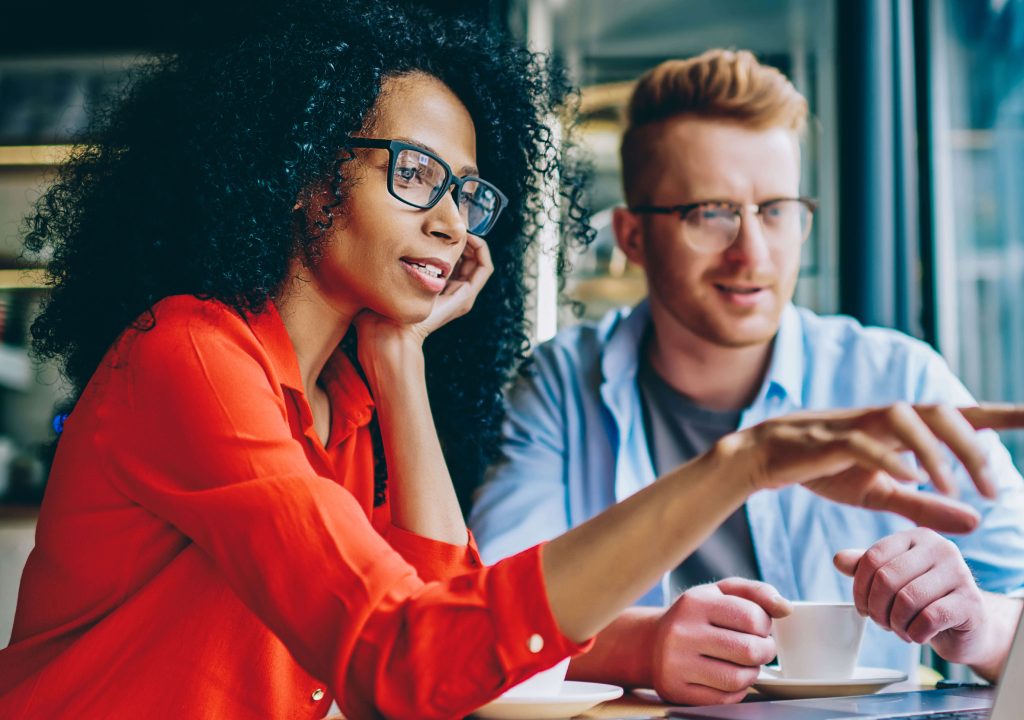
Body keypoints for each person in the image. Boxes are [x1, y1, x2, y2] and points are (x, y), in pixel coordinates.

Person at [0, 9, 1019, 717]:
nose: (453, 221)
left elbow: (451, 651)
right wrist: (739, 465)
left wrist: (396, 361)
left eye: (471, 194)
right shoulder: (191, 356)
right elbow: (408, 659)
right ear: (306, 179)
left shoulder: (343, 405)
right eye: (416, 175)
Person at [469, 49, 1024, 705]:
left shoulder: (896, 377)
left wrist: (978, 623)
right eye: (711, 212)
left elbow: (1010, 605)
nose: (752, 253)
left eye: (776, 210)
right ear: (632, 237)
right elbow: (486, 621)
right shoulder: (562, 384)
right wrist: (642, 649)